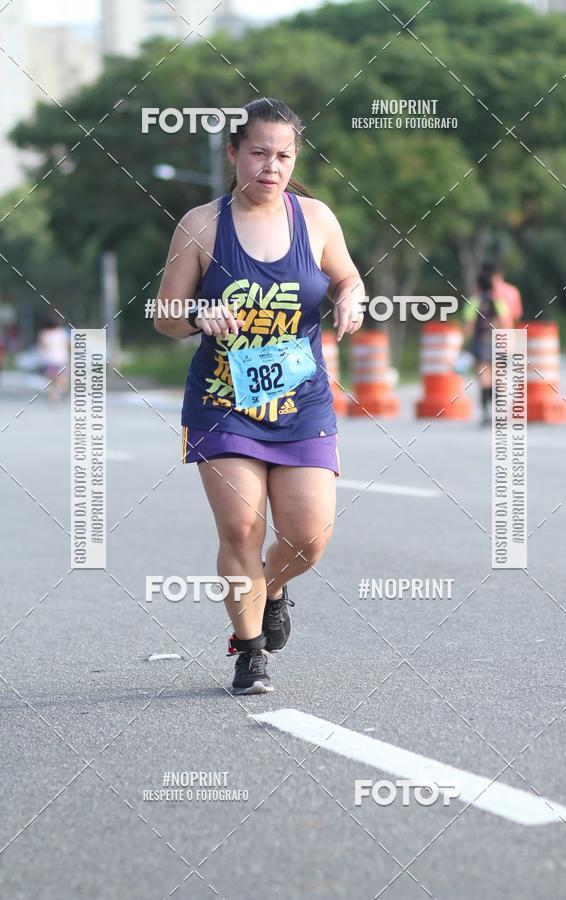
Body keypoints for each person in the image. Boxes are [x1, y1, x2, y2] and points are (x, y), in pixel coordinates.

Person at [154, 97, 365, 695]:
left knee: (308, 535)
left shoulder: (316, 218)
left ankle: (272, 588)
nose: (271, 166)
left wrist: (350, 296)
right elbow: (165, 317)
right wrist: (198, 313)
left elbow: (347, 275)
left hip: (302, 401)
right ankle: (249, 653)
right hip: (223, 401)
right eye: (258, 153)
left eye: (283, 155)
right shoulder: (200, 225)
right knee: (242, 528)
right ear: (233, 154)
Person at [463, 268, 512, 425]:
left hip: (481, 343)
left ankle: (486, 414)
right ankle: (500, 413)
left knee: (484, 379)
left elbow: (469, 326)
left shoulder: (473, 302)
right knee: (498, 379)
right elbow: (506, 324)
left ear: (478, 286)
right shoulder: (499, 302)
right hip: (497, 342)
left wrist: (464, 343)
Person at [37, 314, 70, 403]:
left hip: (48, 360)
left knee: (51, 380)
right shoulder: (62, 333)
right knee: (60, 379)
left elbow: (41, 347)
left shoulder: (44, 334)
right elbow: (68, 345)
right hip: (61, 359)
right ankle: (57, 393)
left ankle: (53, 395)